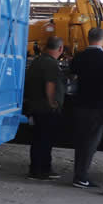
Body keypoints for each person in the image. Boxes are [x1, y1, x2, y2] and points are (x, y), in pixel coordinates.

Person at [68, 26, 103, 188]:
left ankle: (78, 174)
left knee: (80, 140)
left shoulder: (79, 56)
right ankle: (81, 177)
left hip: (80, 104)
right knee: (91, 142)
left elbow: (72, 78)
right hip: (98, 106)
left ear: (88, 38)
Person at [24, 36, 65, 180]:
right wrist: (52, 102)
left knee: (38, 139)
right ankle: (41, 170)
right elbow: (50, 84)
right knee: (45, 140)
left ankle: (37, 169)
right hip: (45, 109)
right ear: (60, 48)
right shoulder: (51, 64)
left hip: (34, 106)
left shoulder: (38, 61)